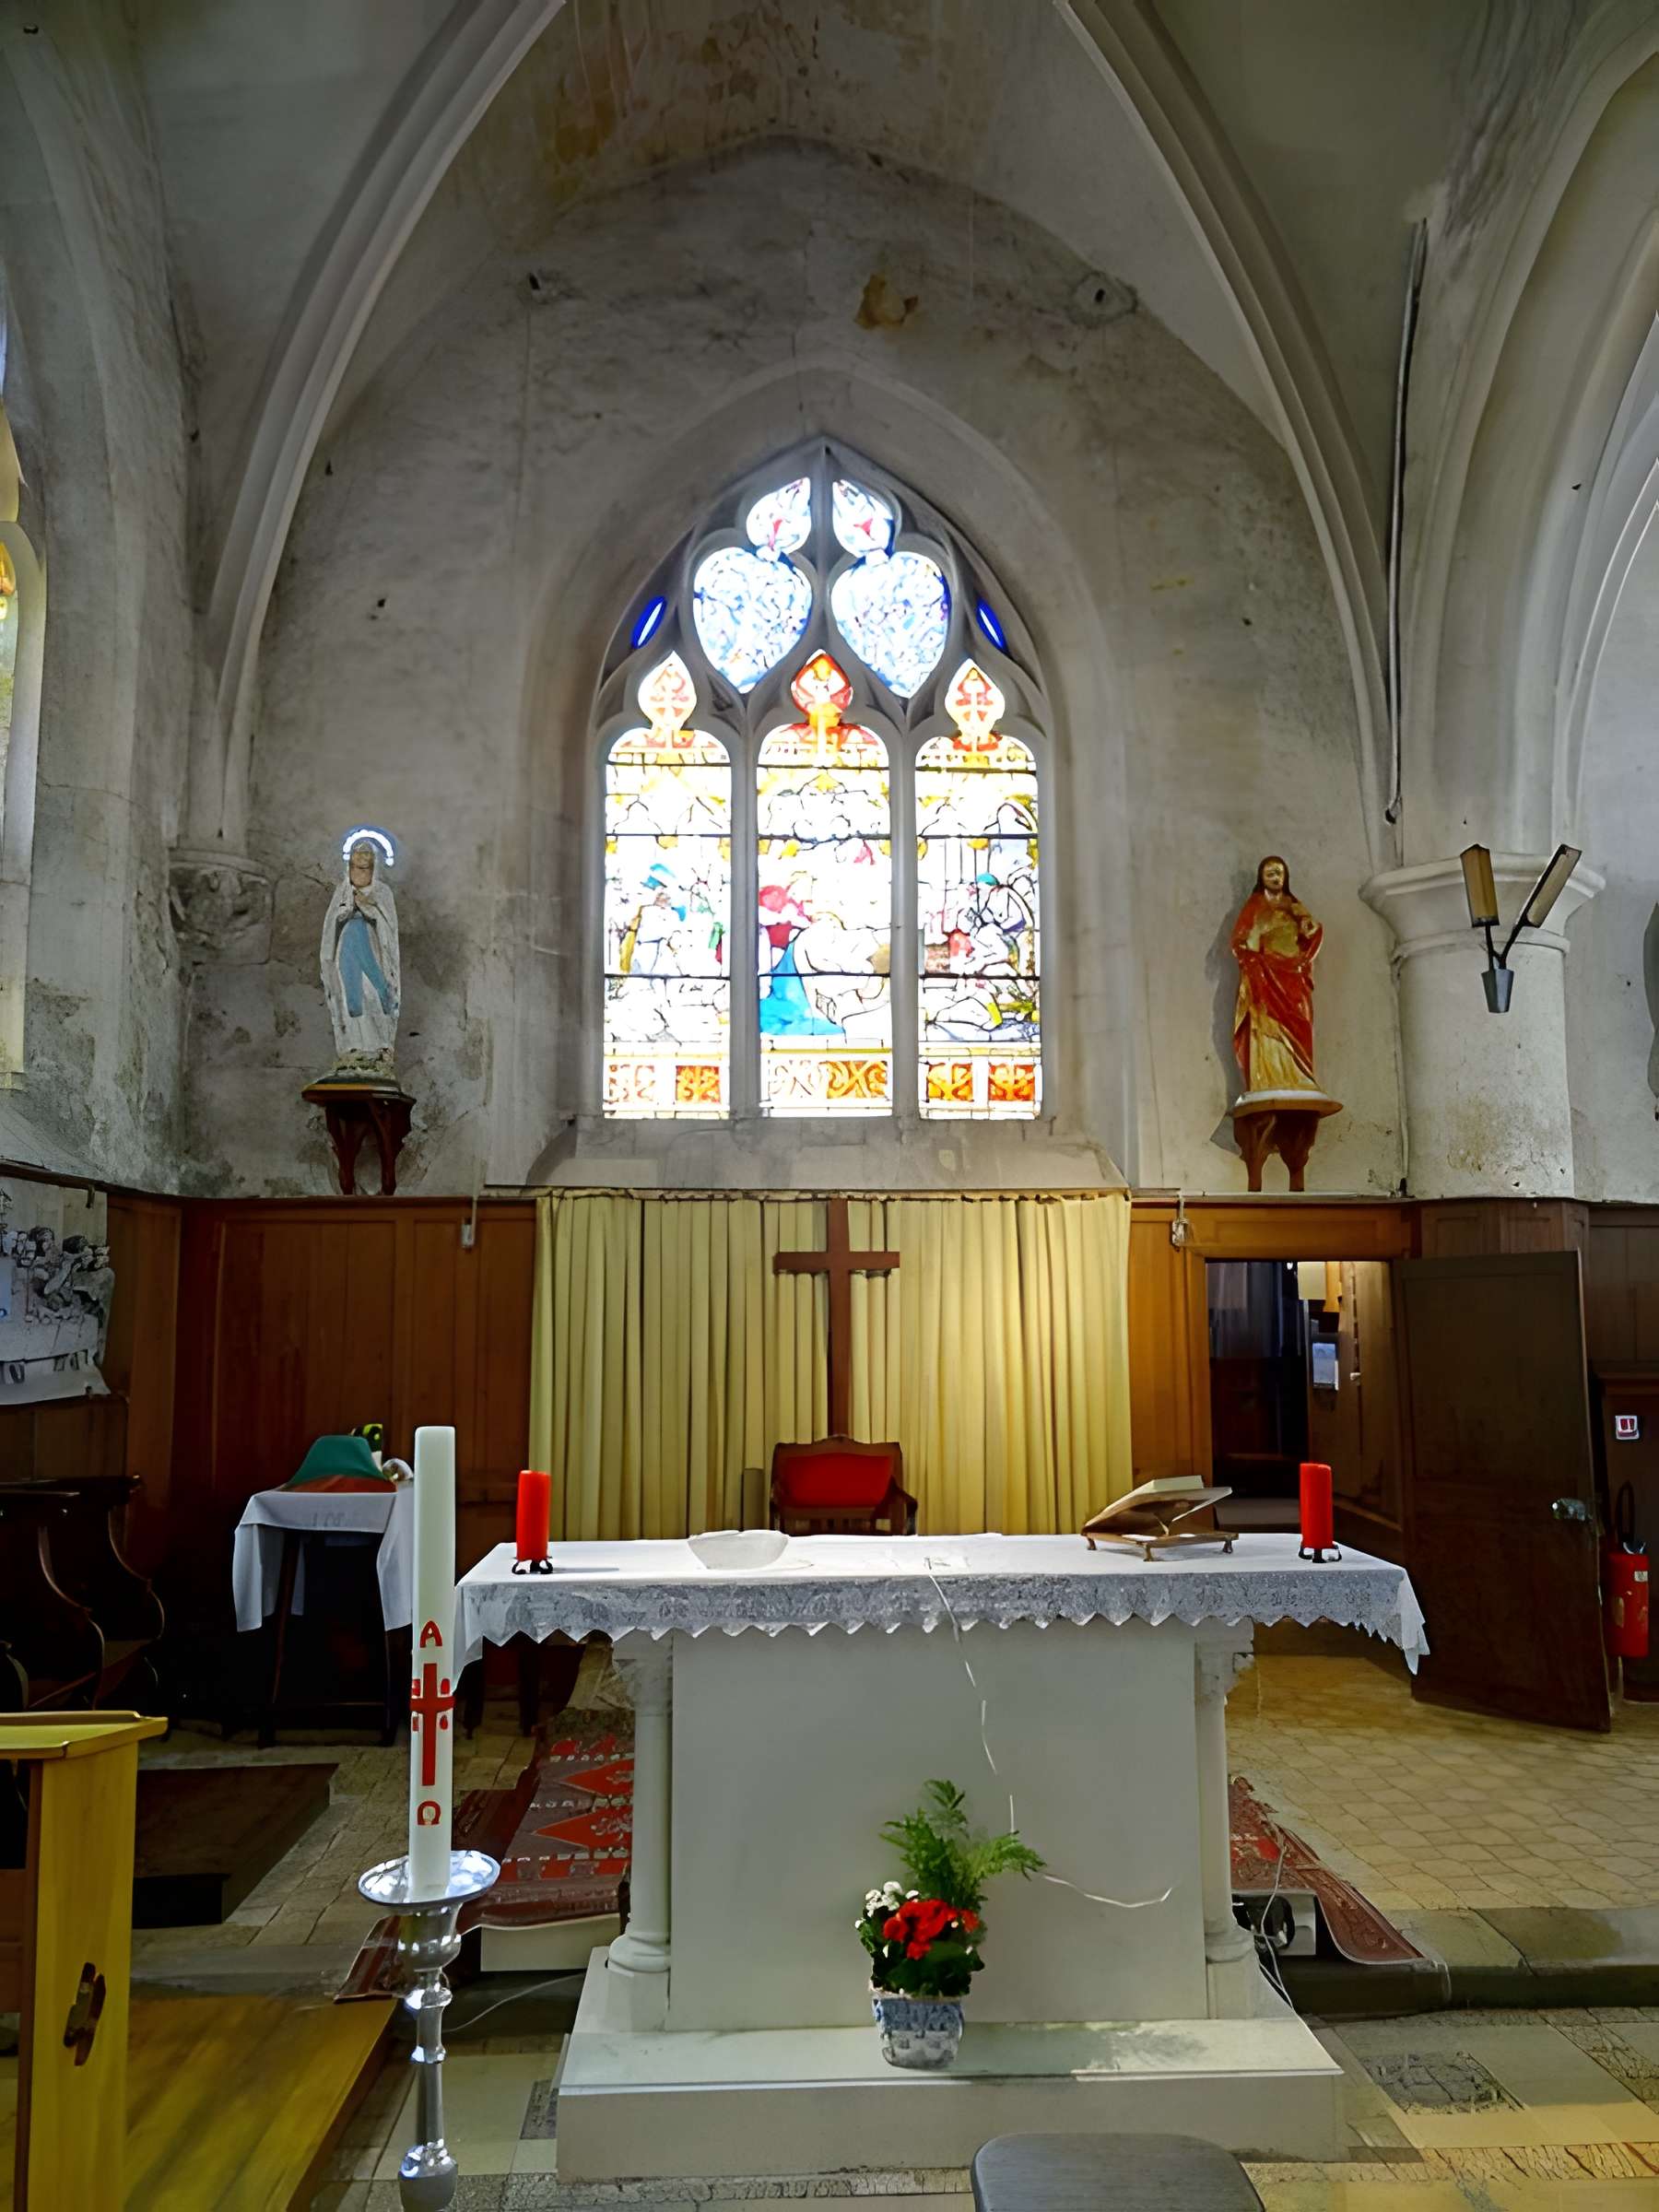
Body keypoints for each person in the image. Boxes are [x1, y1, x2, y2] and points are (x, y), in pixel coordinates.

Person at [1230, 854, 1324, 1095]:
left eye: (1279, 873)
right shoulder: (1255, 905)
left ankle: (1299, 1076)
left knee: (1300, 1020)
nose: (1275, 878)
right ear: (1261, 878)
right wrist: (1256, 941)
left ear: (1286, 877)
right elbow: (1239, 943)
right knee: (1265, 1023)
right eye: (1270, 873)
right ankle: (1268, 1080)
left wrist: (1311, 929)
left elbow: (1311, 932)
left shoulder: (1294, 906)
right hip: (1265, 975)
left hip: (1294, 975)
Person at [320, 837, 401, 1077]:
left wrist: (368, 906)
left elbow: (389, 926)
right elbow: (330, 925)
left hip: (373, 950)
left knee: (374, 993)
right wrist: (345, 910)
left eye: (365, 868)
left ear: (374, 869)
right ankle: (352, 1048)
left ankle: (378, 1049)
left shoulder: (383, 892)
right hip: (346, 949)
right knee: (348, 998)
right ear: (349, 869)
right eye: (356, 868)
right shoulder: (342, 891)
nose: (360, 872)